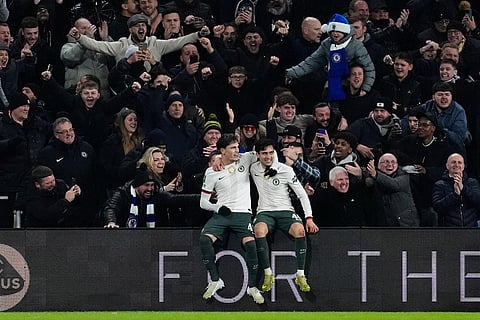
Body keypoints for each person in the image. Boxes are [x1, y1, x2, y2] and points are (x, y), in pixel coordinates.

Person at [199, 134, 264, 304]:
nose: (237, 150)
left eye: (237, 147)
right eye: (233, 148)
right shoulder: (212, 171)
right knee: (204, 240)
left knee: (251, 244)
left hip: (243, 213)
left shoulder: (246, 158)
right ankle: (215, 280)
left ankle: (252, 287)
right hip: (222, 213)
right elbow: (203, 202)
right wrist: (217, 207)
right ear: (222, 151)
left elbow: (268, 152)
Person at [250, 139, 319, 293]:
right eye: (264, 154)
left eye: (270, 153)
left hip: (286, 211)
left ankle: (300, 275)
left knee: (300, 231)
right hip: (264, 211)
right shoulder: (253, 168)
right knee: (259, 231)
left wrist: (309, 217)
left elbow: (301, 194)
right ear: (258, 155)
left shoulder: (285, 170)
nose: (268, 157)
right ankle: (268, 274)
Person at [285, 13, 375, 102]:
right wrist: (292, 72)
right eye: (332, 31)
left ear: (345, 31)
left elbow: (369, 68)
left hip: (352, 87)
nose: (335, 34)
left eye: (338, 31)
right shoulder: (327, 44)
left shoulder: (356, 45)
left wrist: (365, 87)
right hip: (333, 84)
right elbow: (312, 62)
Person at [68, 13, 210, 69]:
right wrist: (80, 37)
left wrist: (198, 34)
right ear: (130, 29)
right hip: (128, 89)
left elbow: (180, 41)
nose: (141, 28)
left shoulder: (155, 43)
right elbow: (96, 45)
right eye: (137, 26)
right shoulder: (121, 45)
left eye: (143, 25)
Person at [103, 163, 199, 228]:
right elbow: (111, 208)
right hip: (124, 236)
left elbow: (176, 199)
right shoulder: (123, 193)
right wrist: (111, 222)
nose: (150, 189)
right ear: (137, 186)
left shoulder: (156, 194)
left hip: (152, 238)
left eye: (152, 185)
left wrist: (202, 198)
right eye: (146, 185)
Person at [60, 17, 112, 98]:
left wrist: (105, 39)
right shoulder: (68, 46)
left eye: (89, 27)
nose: (87, 30)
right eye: (84, 28)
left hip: (101, 94)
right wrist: (86, 40)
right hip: (78, 95)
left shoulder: (99, 46)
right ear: (75, 30)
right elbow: (70, 58)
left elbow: (113, 60)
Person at [365, 153, 420, 227]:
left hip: (405, 222)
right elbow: (368, 182)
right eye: (386, 162)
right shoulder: (374, 176)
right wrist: (360, 175)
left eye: (393, 162)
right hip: (385, 223)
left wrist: (376, 174)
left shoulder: (403, 175)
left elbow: (395, 185)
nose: (390, 165)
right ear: (378, 165)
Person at [433, 153, 480, 227]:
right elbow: (437, 207)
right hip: (448, 230)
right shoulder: (440, 184)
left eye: (459, 162)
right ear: (447, 166)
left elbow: (477, 201)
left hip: (471, 230)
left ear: (463, 166)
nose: (457, 165)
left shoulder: (472, 182)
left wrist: (463, 189)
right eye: (453, 162)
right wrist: (454, 195)